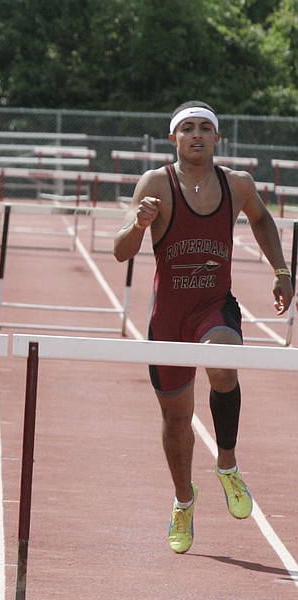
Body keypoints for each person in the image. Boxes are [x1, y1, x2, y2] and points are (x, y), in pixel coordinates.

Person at [114, 101, 294, 554]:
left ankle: (228, 466)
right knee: (177, 420)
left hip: (214, 307)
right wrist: (139, 224)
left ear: (218, 138)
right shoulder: (156, 183)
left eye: (205, 129)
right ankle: (183, 500)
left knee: (224, 361)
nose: (197, 135)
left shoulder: (237, 185)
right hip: (168, 319)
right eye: (188, 129)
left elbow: (261, 218)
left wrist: (282, 272)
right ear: (173, 139)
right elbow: (121, 251)